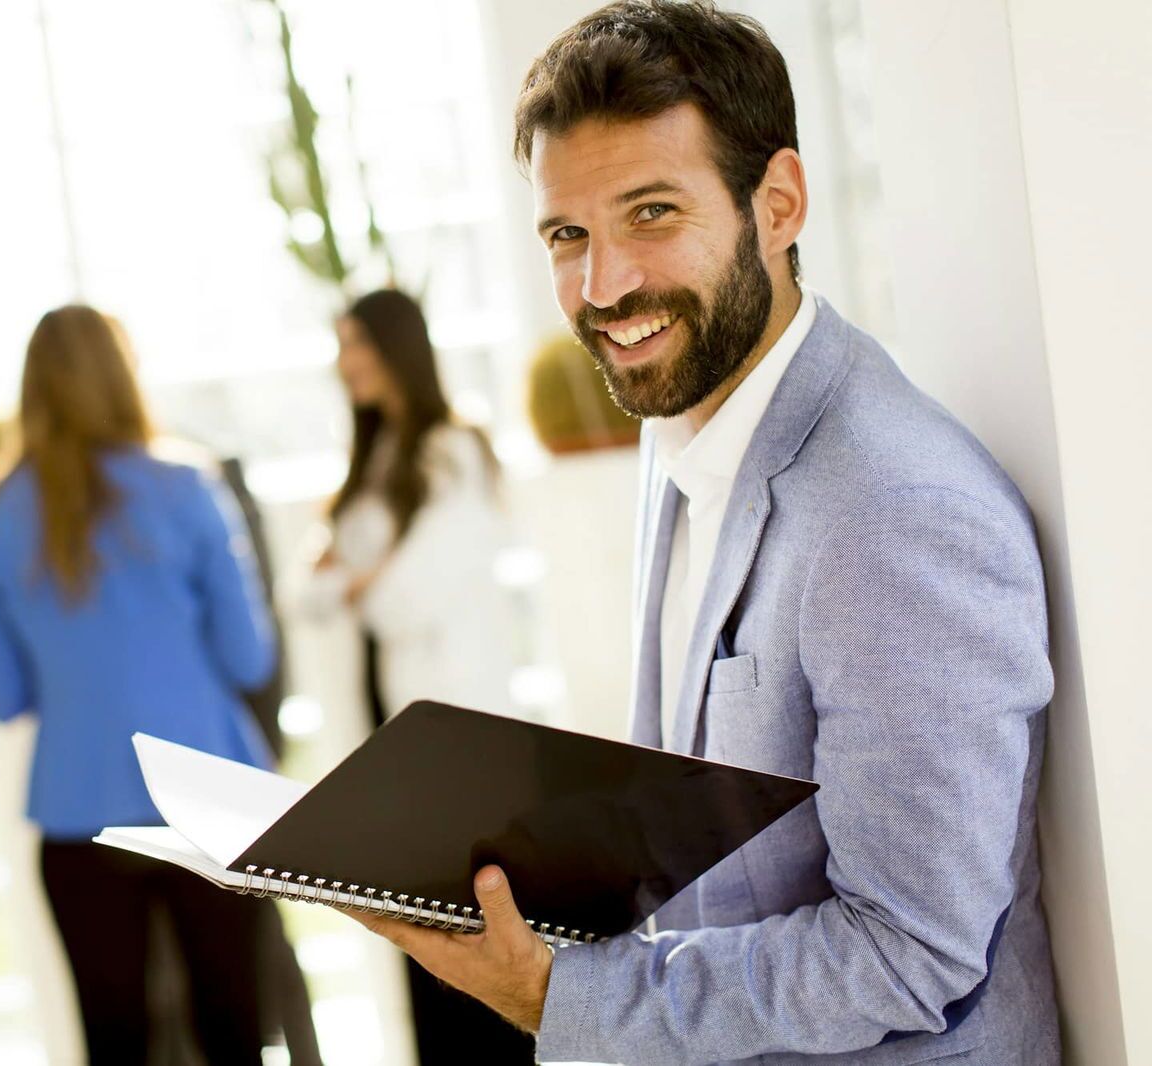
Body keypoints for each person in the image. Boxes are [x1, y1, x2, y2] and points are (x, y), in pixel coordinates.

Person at [347, 4, 1061, 1064]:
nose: (603, 287)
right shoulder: (682, 417)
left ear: (777, 204)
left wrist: (564, 995)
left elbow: (911, 949)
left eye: (649, 213)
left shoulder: (897, 515)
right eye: (567, 234)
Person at [0, 305, 279, 1065]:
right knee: (235, 1031)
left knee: (113, 1041)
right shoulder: (186, 486)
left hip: (78, 812)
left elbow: (5, 698)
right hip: (210, 799)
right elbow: (248, 659)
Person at [291, 288, 530, 1065]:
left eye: (357, 342)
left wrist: (358, 578)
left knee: (475, 948)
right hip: (386, 729)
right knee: (420, 945)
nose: (345, 362)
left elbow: (409, 598)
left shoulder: (451, 450)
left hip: (457, 737)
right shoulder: (373, 459)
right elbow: (305, 592)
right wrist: (358, 578)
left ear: (396, 346)